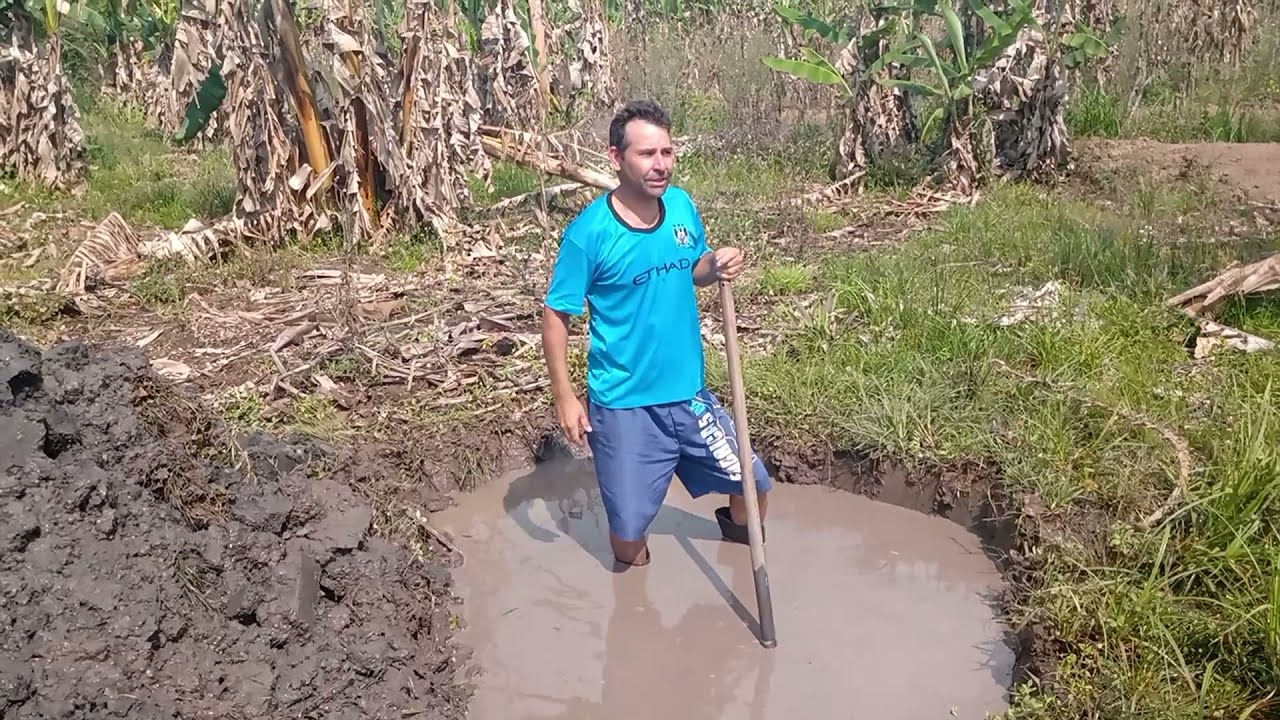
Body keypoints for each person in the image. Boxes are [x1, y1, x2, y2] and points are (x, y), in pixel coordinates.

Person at [540, 99, 772, 568]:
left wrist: (716, 264)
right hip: (624, 405)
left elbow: (694, 268)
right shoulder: (590, 234)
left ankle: (742, 558)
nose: (660, 164)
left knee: (753, 483)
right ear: (616, 157)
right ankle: (635, 583)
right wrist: (565, 396)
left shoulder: (681, 207)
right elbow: (556, 314)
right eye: (647, 154)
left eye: (667, 152)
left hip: (688, 395)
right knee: (627, 540)